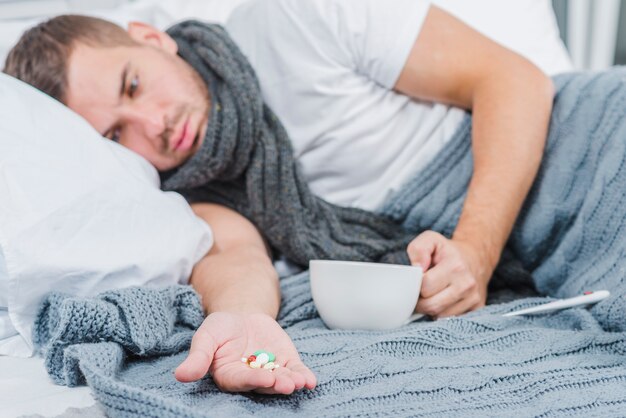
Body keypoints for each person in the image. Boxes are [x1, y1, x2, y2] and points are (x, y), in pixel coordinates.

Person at [3, 0, 555, 395]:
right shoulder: (192, 194)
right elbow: (232, 256)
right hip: (533, 247)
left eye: (133, 85)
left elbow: (514, 81)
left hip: (567, 146)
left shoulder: (293, 17)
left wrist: (476, 251)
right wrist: (242, 320)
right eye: (116, 136)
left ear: (152, 38)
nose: (154, 126)